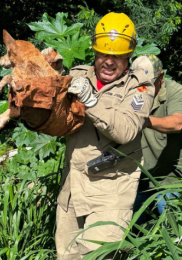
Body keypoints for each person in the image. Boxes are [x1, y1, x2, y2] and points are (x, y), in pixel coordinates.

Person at [55, 13, 155, 259]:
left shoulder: (139, 87)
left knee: (98, 256)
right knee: (67, 256)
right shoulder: (78, 76)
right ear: (95, 51)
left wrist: (90, 101)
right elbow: (53, 120)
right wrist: (50, 77)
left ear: (129, 55)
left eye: (118, 56)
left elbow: (126, 130)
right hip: (72, 188)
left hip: (111, 191)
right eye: (103, 54)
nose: (109, 62)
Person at [132, 54, 182, 223]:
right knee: (133, 231)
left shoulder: (176, 91)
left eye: (147, 83)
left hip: (170, 177)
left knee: (173, 230)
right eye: (137, 82)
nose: (142, 87)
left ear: (161, 77)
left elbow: (177, 123)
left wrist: (142, 120)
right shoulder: (131, 92)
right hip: (138, 177)